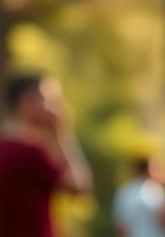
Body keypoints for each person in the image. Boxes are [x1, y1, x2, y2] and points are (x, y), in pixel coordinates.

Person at [0, 73, 94, 237]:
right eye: (50, 100)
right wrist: (62, 134)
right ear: (27, 101)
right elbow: (81, 187)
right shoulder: (29, 153)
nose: (59, 108)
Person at [113, 156, 165, 237]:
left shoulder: (123, 192)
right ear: (150, 170)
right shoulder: (154, 189)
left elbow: (120, 227)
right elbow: (164, 219)